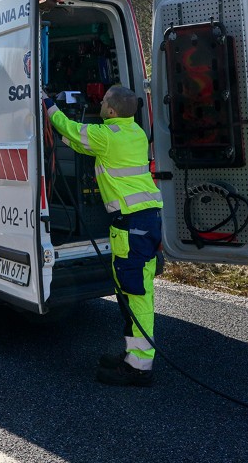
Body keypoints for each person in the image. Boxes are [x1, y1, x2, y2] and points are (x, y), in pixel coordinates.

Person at [42, 84, 163, 387]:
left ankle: (138, 368)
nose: (99, 103)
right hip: (146, 222)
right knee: (132, 290)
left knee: (136, 294)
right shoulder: (133, 133)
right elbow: (83, 143)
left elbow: (68, 126)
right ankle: (131, 357)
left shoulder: (107, 137)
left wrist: (46, 102)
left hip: (132, 226)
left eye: (103, 101)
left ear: (110, 110)